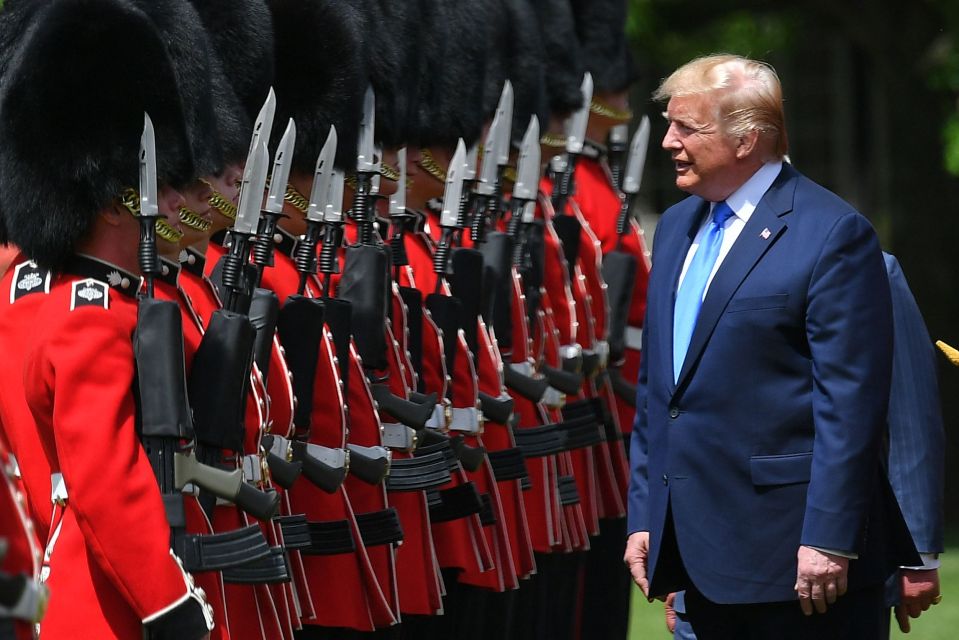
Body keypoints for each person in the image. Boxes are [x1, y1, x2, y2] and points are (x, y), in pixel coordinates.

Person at [623, 54, 916, 638]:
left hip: (797, 562)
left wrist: (829, 536)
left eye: (687, 127)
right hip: (695, 553)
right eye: (669, 124)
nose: (667, 142)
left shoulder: (831, 232)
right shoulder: (678, 225)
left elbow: (850, 404)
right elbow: (661, 388)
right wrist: (646, 515)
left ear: (746, 139)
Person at [666, 251, 946, 639]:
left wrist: (918, 556)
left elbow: (908, 411)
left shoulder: (867, 266)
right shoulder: (688, 264)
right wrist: (676, 553)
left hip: (826, 557)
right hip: (706, 557)